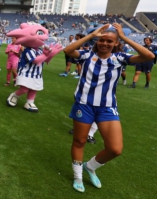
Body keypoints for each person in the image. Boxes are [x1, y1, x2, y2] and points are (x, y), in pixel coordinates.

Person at [63, 23, 154, 193]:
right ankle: (77, 177)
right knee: (80, 141)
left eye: (109, 41)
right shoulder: (86, 55)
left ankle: (90, 166)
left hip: (107, 107)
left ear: (115, 43)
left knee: (115, 149)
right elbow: (67, 51)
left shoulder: (119, 58)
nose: (104, 43)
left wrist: (124, 37)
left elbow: (148, 56)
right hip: (84, 104)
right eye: (102, 40)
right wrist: (91, 36)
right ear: (97, 41)